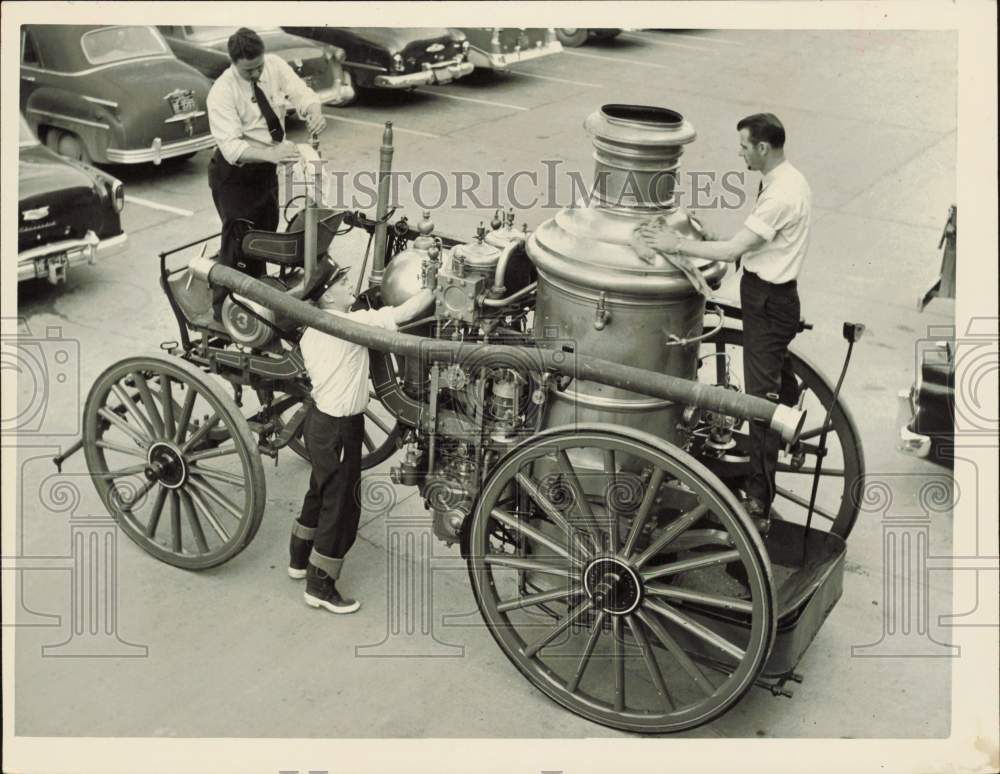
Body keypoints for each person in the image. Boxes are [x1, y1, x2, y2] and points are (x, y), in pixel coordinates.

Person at [636, 112, 811, 529]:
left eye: (744, 146)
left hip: (768, 301)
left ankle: (757, 502)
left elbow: (736, 251)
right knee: (775, 385)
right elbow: (752, 244)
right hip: (772, 297)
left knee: (759, 404)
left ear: (762, 148)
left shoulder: (780, 194)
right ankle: (791, 420)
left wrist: (674, 242)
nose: (740, 152)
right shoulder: (788, 180)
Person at [289, 267, 434, 614]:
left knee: (320, 491)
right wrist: (434, 288)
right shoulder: (350, 327)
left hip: (320, 423)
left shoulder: (313, 326)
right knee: (341, 507)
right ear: (327, 296)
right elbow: (400, 314)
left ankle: (298, 559)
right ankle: (320, 586)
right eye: (340, 282)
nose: (346, 285)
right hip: (341, 428)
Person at [206, 27, 327, 314]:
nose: (257, 74)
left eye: (259, 66)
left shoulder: (273, 65)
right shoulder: (221, 92)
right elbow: (233, 149)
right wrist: (271, 154)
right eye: (249, 71)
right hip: (234, 177)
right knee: (238, 245)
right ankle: (223, 311)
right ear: (233, 62)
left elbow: (301, 92)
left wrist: (313, 111)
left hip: (266, 173)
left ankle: (256, 304)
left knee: (263, 240)